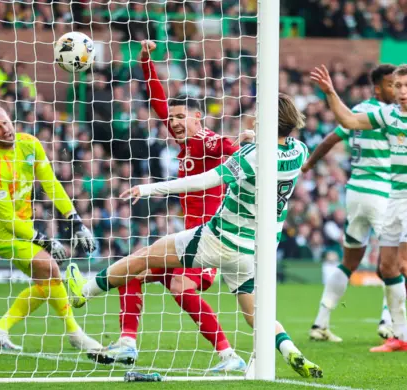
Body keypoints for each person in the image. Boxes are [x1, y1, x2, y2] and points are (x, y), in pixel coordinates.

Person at [65, 93, 323, 379]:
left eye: (260, 114)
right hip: (256, 247)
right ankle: (290, 350)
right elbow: (269, 151)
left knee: (143, 257)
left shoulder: (252, 156)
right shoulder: (299, 150)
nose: (254, 117)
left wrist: (150, 189)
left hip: (220, 238)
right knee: (254, 311)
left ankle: (83, 292)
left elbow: (205, 180)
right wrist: (254, 139)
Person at [107, 40, 253, 372]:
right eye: (172, 118)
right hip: (188, 240)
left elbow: (226, 146)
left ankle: (229, 356)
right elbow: (159, 103)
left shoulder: (204, 139)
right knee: (134, 269)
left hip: (212, 243)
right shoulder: (185, 141)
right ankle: (127, 343)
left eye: (180, 116)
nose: (172, 121)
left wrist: (242, 146)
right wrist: (146, 64)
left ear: (198, 117)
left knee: (178, 285)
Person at [302, 64, 407, 343]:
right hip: (386, 193)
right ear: (385, 88)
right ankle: (397, 329)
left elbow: (334, 134)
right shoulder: (386, 114)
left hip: (370, 194)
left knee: (378, 264)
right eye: (395, 85)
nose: (400, 91)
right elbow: (349, 123)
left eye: (406, 85)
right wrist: (331, 93)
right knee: (391, 265)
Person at [0, 105, 104, 361]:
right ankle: (75, 333)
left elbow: (51, 183)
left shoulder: (30, 144)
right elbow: (6, 219)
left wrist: (75, 220)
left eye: (6, 122)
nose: (5, 129)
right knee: (49, 268)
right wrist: (42, 239)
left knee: (46, 279)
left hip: (21, 223)